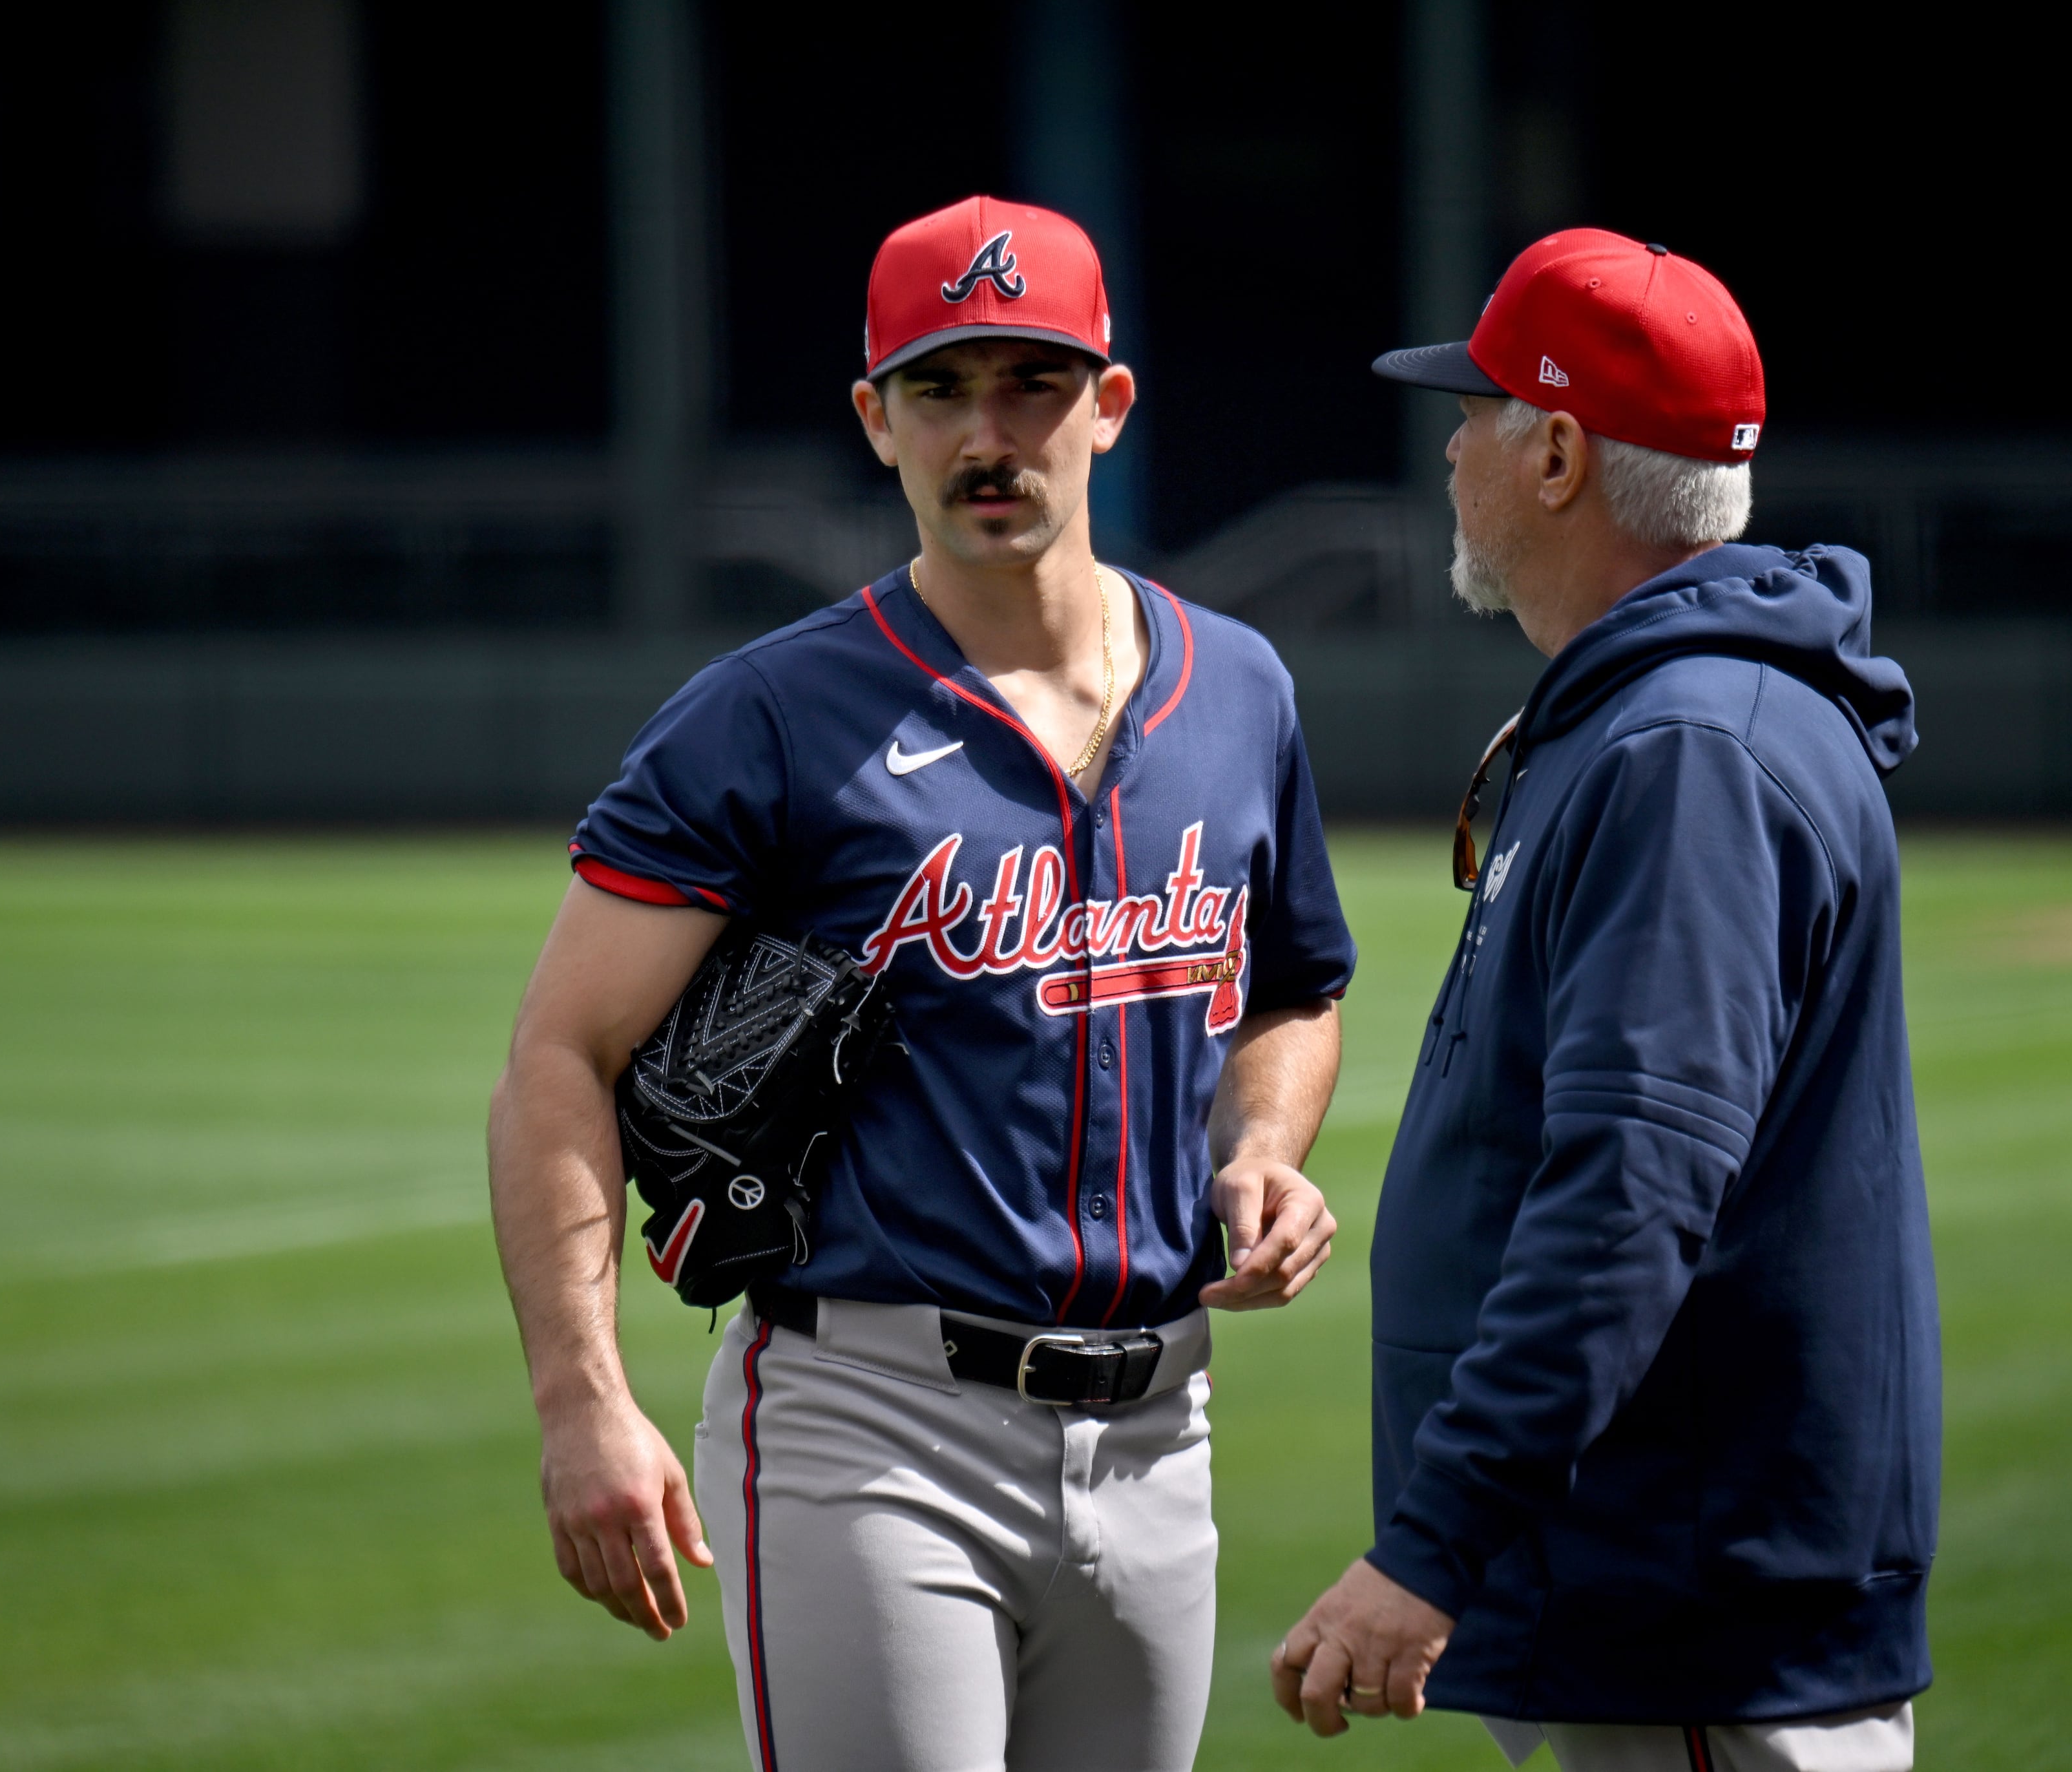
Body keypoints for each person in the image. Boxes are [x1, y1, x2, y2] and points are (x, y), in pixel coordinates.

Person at [488, 195, 1357, 1772]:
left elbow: (1297, 983)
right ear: (874, 418)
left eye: (1032, 382)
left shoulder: (1238, 689)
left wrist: (1262, 1149)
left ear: (1111, 403)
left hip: (1162, 1431)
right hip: (872, 1427)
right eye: (943, 387)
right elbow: (563, 1053)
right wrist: (580, 1404)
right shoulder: (767, 715)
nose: (989, 432)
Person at [1272, 227, 1939, 1771]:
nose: (1451, 445)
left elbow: (1631, 1192)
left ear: (1560, 453)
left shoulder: (1688, 748)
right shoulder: (1666, 710)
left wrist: (1432, 1549)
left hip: (1688, 1606)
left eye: (1480, 407)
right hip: (1658, 1586)